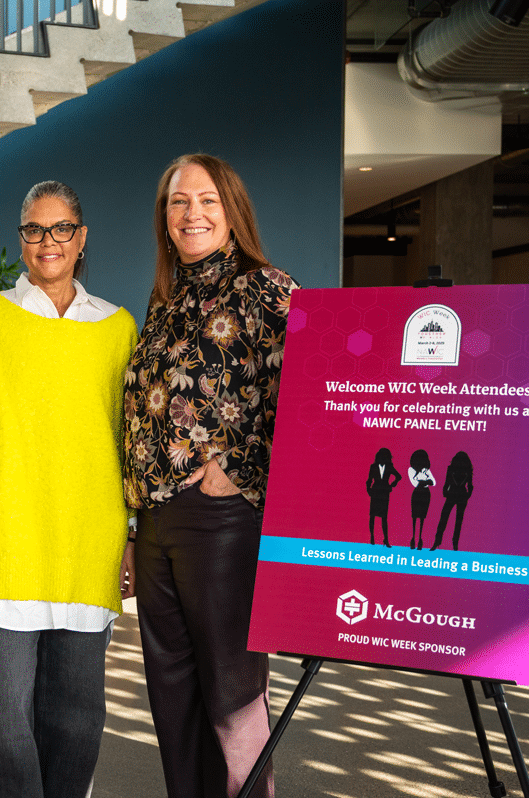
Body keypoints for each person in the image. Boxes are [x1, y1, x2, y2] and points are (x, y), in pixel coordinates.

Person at [0, 180, 138, 798]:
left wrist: (130, 536)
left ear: (82, 238)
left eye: (61, 229)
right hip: (3, 539)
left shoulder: (117, 328)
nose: (48, 242)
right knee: (2, 717)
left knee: (77, 715)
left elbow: (130, 446)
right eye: (33, 230)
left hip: (87, 542)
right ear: (20, 238)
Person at [123, 154, 299, 798]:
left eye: (206, 201)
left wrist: (240, 470)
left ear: (231, 211)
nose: (190, 213)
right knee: (174, 707)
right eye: (177, 202)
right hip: (160, 522)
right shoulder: (165, 300)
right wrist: (136, 525)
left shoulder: (266, 287)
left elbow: (312, 397)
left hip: (224, 523)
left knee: (232, 699)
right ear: (164, 219)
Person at [433, 451, 474, 551]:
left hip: (454, 494)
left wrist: (445, 492)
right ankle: (451, 543)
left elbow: (447, 483)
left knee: (446, 518)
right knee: (455, 520)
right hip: (458, 495)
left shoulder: (453, 469)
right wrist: (467, 495)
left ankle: (442, 542)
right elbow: (470, 486)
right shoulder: (465, 470)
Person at [366, 447, 402, 547]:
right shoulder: (373, 466)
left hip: (384, 493)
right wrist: (369, 490)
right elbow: (369, 480)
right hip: (375, 492)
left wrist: (392, 484)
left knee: (384, 517)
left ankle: (385, 539)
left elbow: (398, 476)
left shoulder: (389, 466)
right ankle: (372, 538)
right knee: (372, 516)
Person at [406, 449, 434, 550]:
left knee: (422, 517)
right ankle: (413, 538)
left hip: (425, 494)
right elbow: (415, 483)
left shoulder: (426, 470)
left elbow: (433, 482)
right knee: (414, 517)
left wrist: (424, 481)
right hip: (417, 494)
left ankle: (420, 540)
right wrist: (426, 481)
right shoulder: (411, 470)